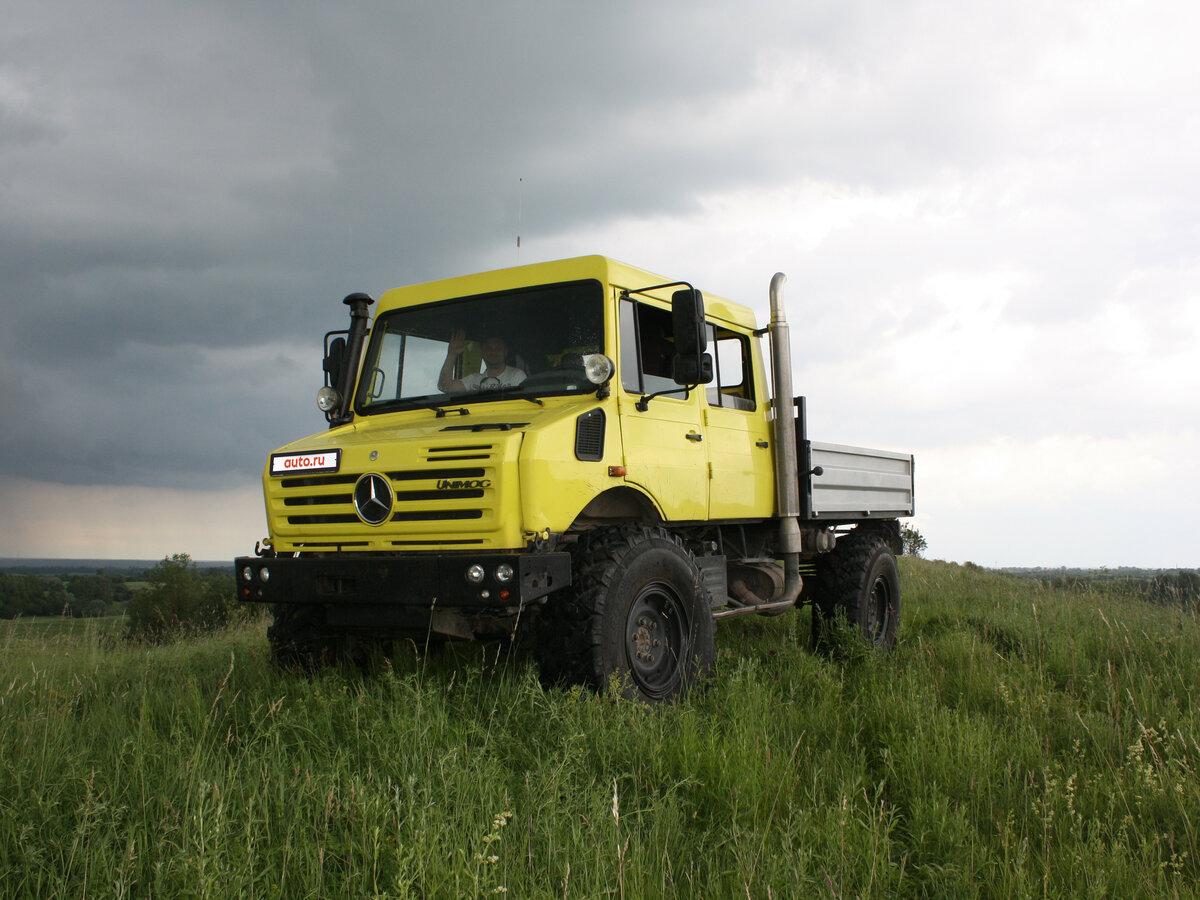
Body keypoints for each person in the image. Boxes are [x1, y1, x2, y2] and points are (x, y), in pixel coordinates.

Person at [437, 330, 527, 393]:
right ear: (482, 353)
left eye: (498, 348)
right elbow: (445, 387)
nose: (493, 352)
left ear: (505, 352)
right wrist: (452, 354)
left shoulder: (517, 375)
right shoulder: (473, 380)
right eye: (488, 348)